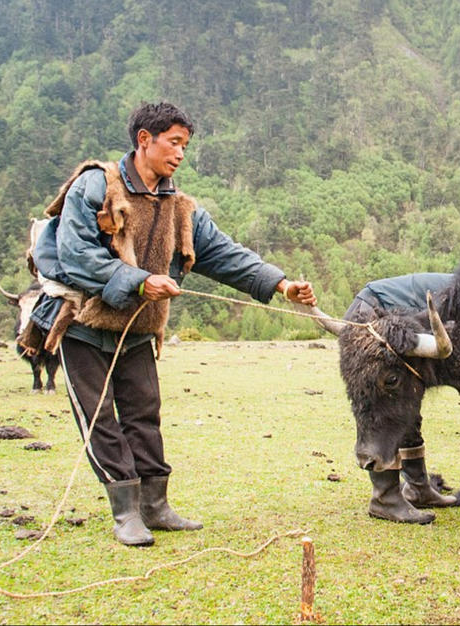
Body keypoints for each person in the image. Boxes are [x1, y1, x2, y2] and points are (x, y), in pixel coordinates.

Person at [29, 102, 317, 547]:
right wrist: (141, 282)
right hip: (84, 325)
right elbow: (75, 254)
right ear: (144, 139)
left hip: (139, 330)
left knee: (145, 414)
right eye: (174, 142)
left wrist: (280, 285)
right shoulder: (95, 186)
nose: (181, 154)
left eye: (185, 145)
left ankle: (156, 506)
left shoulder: (180, 208)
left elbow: (225, 254)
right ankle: (125, 513)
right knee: (101, 418)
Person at [344, 273, 457, 524]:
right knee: (384, 405)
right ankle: (384, 498)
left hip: (396, 317)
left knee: (407, 404)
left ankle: (417, 487)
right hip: (370, 315)